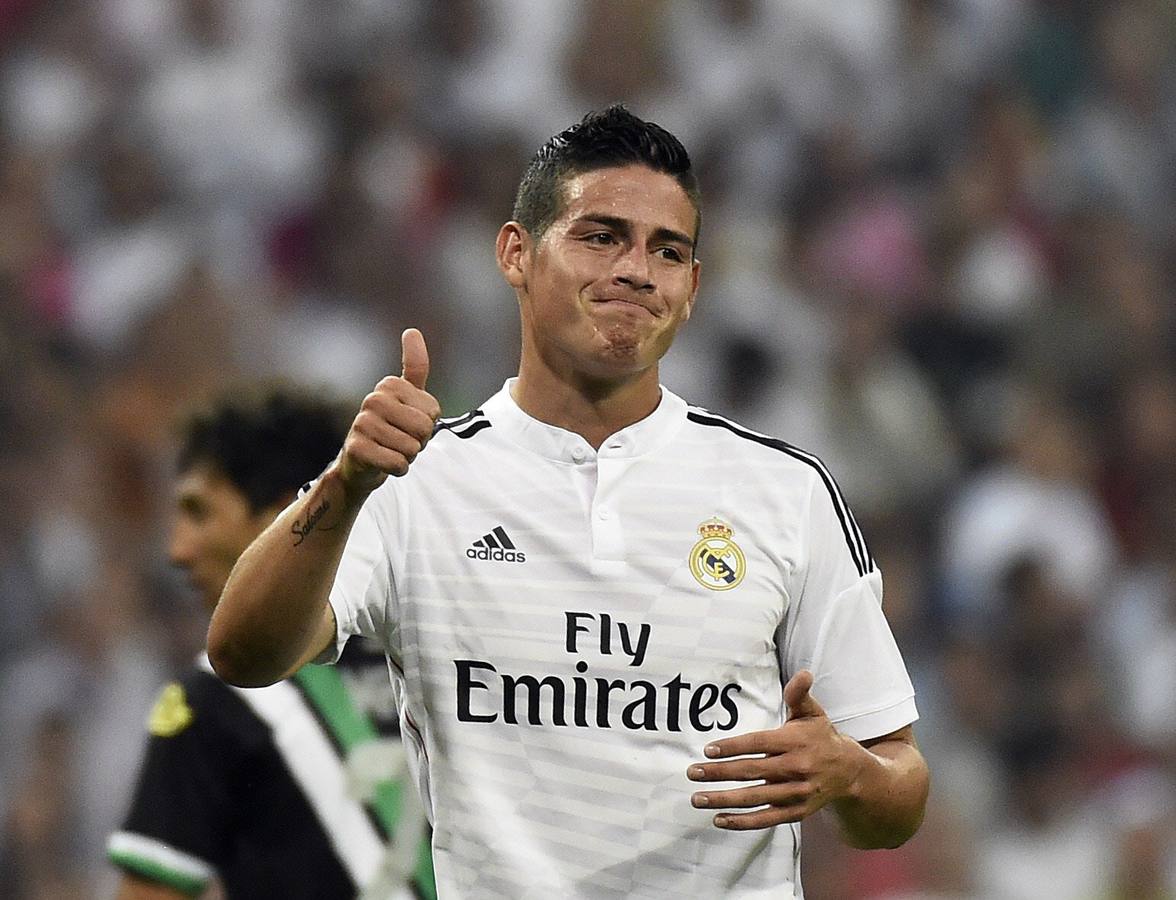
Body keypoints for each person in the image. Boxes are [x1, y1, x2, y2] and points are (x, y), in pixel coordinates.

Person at [208, 106, 930, 898]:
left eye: (668, 251)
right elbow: (243, 653)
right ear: (516, 253)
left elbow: (897, 789)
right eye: (601, 236)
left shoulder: (785, 491)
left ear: (692, 289)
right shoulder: (414, 480)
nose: (636, 270)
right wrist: (344, 486)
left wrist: (849, 774)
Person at [107, 385, 434, 899]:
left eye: (199, 512)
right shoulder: (435, 655)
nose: (177, 550)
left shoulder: (214, 701)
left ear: (290, 515)